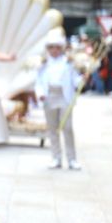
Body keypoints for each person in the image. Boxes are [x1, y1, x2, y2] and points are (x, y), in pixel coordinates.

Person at [35, 28, 81, 170]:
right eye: (51, 47)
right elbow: (38, 82)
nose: (54, 50)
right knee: (52, 129)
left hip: (64, 97)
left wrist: (83, 79)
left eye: (57, 47)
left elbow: (75, 80)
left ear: (61, 48)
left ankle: (72, 159)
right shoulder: (43, 64)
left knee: (67, 128)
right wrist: (40, 94)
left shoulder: (68, 62)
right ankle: (56, 158)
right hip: (49, 97)